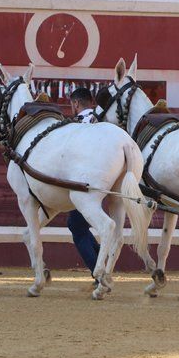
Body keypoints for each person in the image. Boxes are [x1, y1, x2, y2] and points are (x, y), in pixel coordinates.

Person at [66, 87, 102, 275]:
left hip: (86, 181)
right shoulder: (102, 120)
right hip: (106, 180)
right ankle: (100, 267)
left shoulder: (78, 124)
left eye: (71, 104)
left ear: (76, 104)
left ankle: (98, 271)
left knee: (76, 225)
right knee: (78, 224)